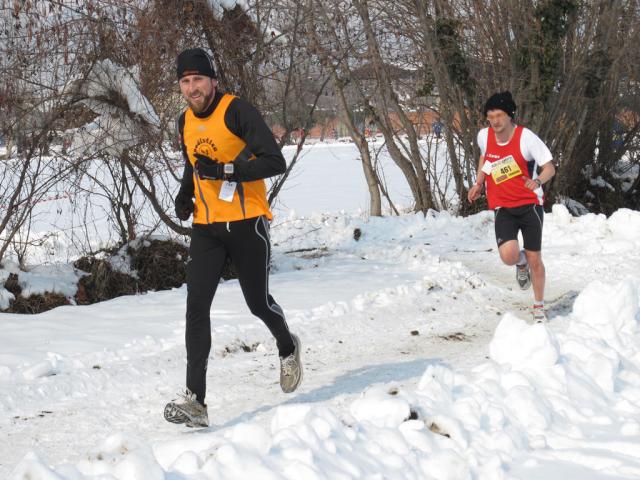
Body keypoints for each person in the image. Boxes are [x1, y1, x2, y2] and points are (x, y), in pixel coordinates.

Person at [164, 48, 303, 428]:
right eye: (185, 82)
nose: (192, 88)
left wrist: (227, 170)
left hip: (247, 222)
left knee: (258, 303)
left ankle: (288, 346)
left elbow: (274, 161)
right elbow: (194, 165)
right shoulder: (185, 121)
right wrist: (185, 192)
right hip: (207, 227)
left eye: (198, 80)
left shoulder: (237, 112)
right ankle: (196, 400)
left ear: (213, 80)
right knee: (196, 307)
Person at [467, 91, 555, 323]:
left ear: (510, 115)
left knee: (536, 258)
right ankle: (520, 262)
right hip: (502, 206)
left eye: (499, 115)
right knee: (508, 256)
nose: (494, 121)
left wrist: (537, 181)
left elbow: (549, 168)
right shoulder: (484, 136)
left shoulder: (526, 138)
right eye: (490, 116)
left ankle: (538, 306)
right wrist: (479, 182)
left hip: (529, 205)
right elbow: (486, 158)